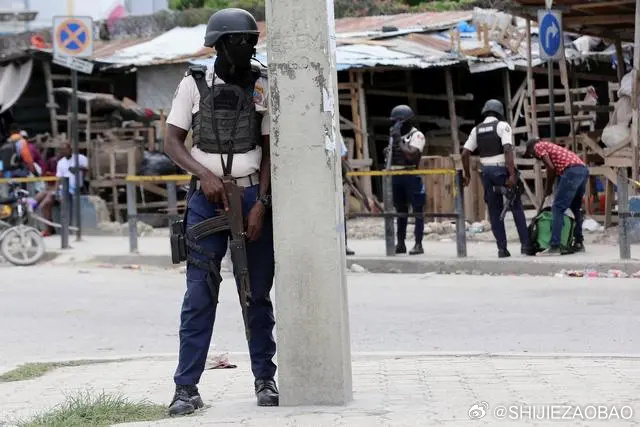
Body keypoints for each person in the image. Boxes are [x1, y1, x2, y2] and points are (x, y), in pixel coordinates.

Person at [163, 8, 277, 416]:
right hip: (206, 199)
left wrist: (261, 203)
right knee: (199, 294)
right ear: (222, 45)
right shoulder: (193, 84)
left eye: (252, 41)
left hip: (250, 198)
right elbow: (173, 141)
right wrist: (203, 175)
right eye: (242, 41)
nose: (250, 48)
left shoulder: (261, 85)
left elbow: (268, 152)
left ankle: (265, 379)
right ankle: (186, 388)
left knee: (256, 293)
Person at [461, 99, 532, 258]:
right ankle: (526, 246)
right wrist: (512, 174)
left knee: (494, 211)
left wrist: (467, 175)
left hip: (486, 173)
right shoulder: (503, 126)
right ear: (500, 112)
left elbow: (465, 153)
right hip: (502, 171)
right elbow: (507, 149)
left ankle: (502, 249)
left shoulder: (476, 130)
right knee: (516, 208)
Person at [524, 138, 588, 255]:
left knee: (557, 208)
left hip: (572, 171)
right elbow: (556, 171)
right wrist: (550, 189)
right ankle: (579, 243)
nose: (534, 157)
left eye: (532, 154)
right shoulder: (552, 148)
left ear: (531, 148)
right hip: (582, 170)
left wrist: (548, 188)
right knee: (575, 208)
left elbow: (551, 168)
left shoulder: (538, 146)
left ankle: (555, 246)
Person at [387, 105, 426, 255]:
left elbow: (412, 155)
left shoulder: (417, 136)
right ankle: (401, 243)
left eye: (399, 122)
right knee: (400, 211)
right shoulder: (395, 136)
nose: (396, 125)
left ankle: (418, 244)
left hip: (411, 175)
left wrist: (398, 141)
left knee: (417, 210)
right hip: (396, 176)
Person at [35, 143, 89, 236]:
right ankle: (48, 228)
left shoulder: (80, 158)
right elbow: (58, 179)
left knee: (47, 200)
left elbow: (88, 168)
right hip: (63, 188)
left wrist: (79, 168)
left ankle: (56, 230)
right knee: (41, 197)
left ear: (70, 149)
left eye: (65, 149)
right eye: (61, 150)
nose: (63, 151)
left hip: (74, 188)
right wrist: (55, 191)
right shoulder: (61, 162)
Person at [339, 133, 355, 255]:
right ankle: (342, 244)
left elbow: (342, 154)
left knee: (340, 218)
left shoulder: (335, 132)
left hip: (339, 185)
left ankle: (343, 244)